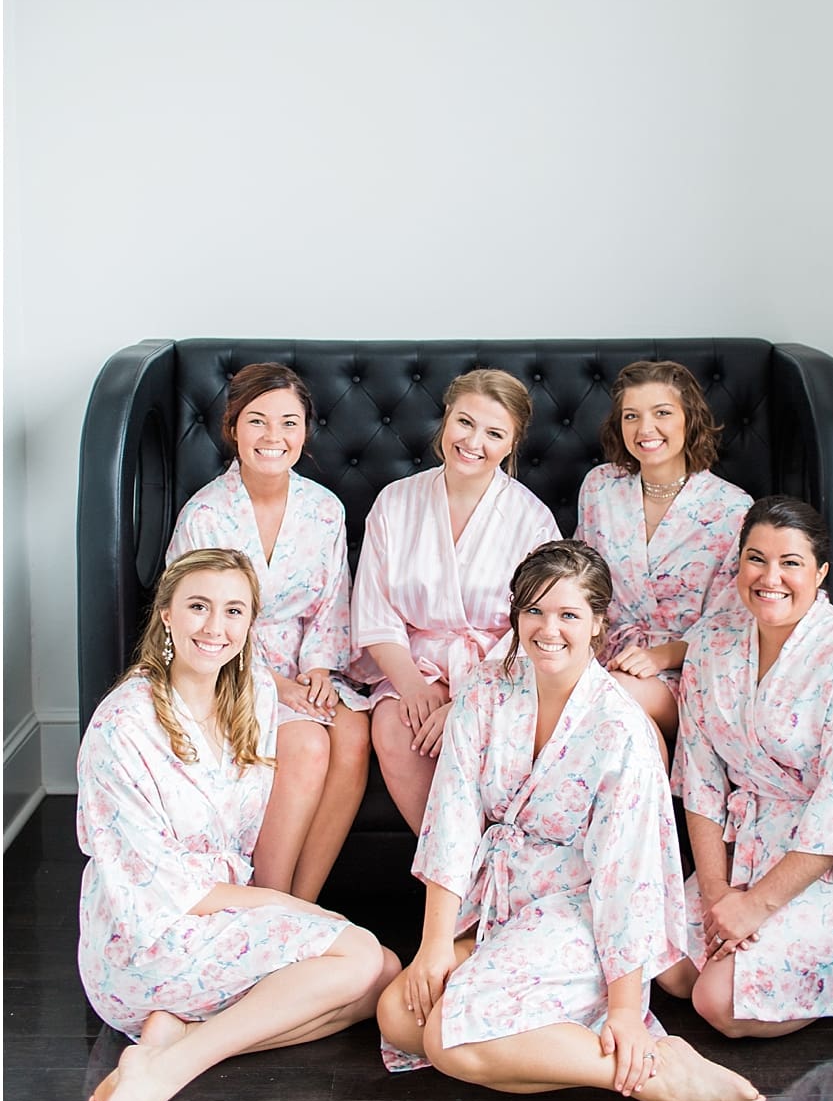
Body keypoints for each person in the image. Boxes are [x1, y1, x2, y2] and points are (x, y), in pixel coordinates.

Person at [374, 540, 770, 1101]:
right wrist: (434, 944)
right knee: (398, 1018)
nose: (548, 629)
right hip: (501, 902)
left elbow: (626, 879)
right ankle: (595, 1052)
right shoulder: (483, 691)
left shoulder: (620, 730)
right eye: (533, 611)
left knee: (448, 1041)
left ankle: (650, 1071)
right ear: (515, 616)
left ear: (598, 624)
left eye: (568, 615)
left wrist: (626, 1012)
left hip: (579, 910)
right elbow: (453, 821)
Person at [77, 548, 399, 1101]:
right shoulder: (123, 724)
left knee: (385, 973)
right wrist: (291, 905)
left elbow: (320, 735)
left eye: (234, 612)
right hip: (145, 938)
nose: (215, 628)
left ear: (251, 624)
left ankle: (168, 1041)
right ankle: (173, 1067)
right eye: (198, 607)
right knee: (358, 960)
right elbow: (164, 888)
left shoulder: (248, 693)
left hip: (215, 923)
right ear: (167, 614)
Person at [655, 496, 833, 1037]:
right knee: (671, 971)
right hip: (753, 840)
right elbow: (701, 778)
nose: (769, 577)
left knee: (718, 1003)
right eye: (756, 559)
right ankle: (828, 948)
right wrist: (717, 892)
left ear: (820, 572)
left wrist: (756, 906)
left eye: (790, 563)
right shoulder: (711, 641)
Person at [164, 362, 367, 901]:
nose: (273, 438)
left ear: (305, 430)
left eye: (289, 423)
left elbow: (332, 605)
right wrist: (276, 685)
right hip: (225, 667)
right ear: (232, 427)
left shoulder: (324, 510)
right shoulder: (205, 514)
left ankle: (300, 905)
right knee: (306, 743)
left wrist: (320, 669)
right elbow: (191, 618)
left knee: (354, 736)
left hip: (307, 664)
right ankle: (269, 901)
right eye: (257, 422)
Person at [354, 368, 558, 830]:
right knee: (393, 727)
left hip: (502, 671)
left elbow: (540, 626)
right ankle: (454, 878)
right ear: (446, 420)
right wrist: (413, 688)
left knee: (481, 730)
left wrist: (467, 702)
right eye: (464, 422)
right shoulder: (395, 502)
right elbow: (375, 610)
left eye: (493, 433)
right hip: (414, 664)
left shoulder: (532, 519)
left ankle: (495, 867)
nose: (473, 441)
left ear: (511, 445)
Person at [574, 360, 751, 740]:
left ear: (690, 419)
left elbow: (731, 621)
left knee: (615, 698)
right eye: (631, 416)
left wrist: (660, 657)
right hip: (600, 659)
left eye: (662, 413)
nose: (645, 429)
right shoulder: (600, 488)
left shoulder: (731, 509)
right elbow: (580, 580)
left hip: (688, 670)